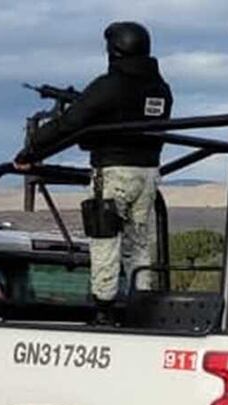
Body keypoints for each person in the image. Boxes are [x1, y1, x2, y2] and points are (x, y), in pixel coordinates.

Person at [14, 21, 173, 324]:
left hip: (113, 174)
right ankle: (143, 308)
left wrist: (30, 152)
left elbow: (70, 124)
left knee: (104, 240)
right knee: (138, 244)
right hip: (149, 175)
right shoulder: (161, 89)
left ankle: (103, 310)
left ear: (114, 50)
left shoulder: (110, 85)